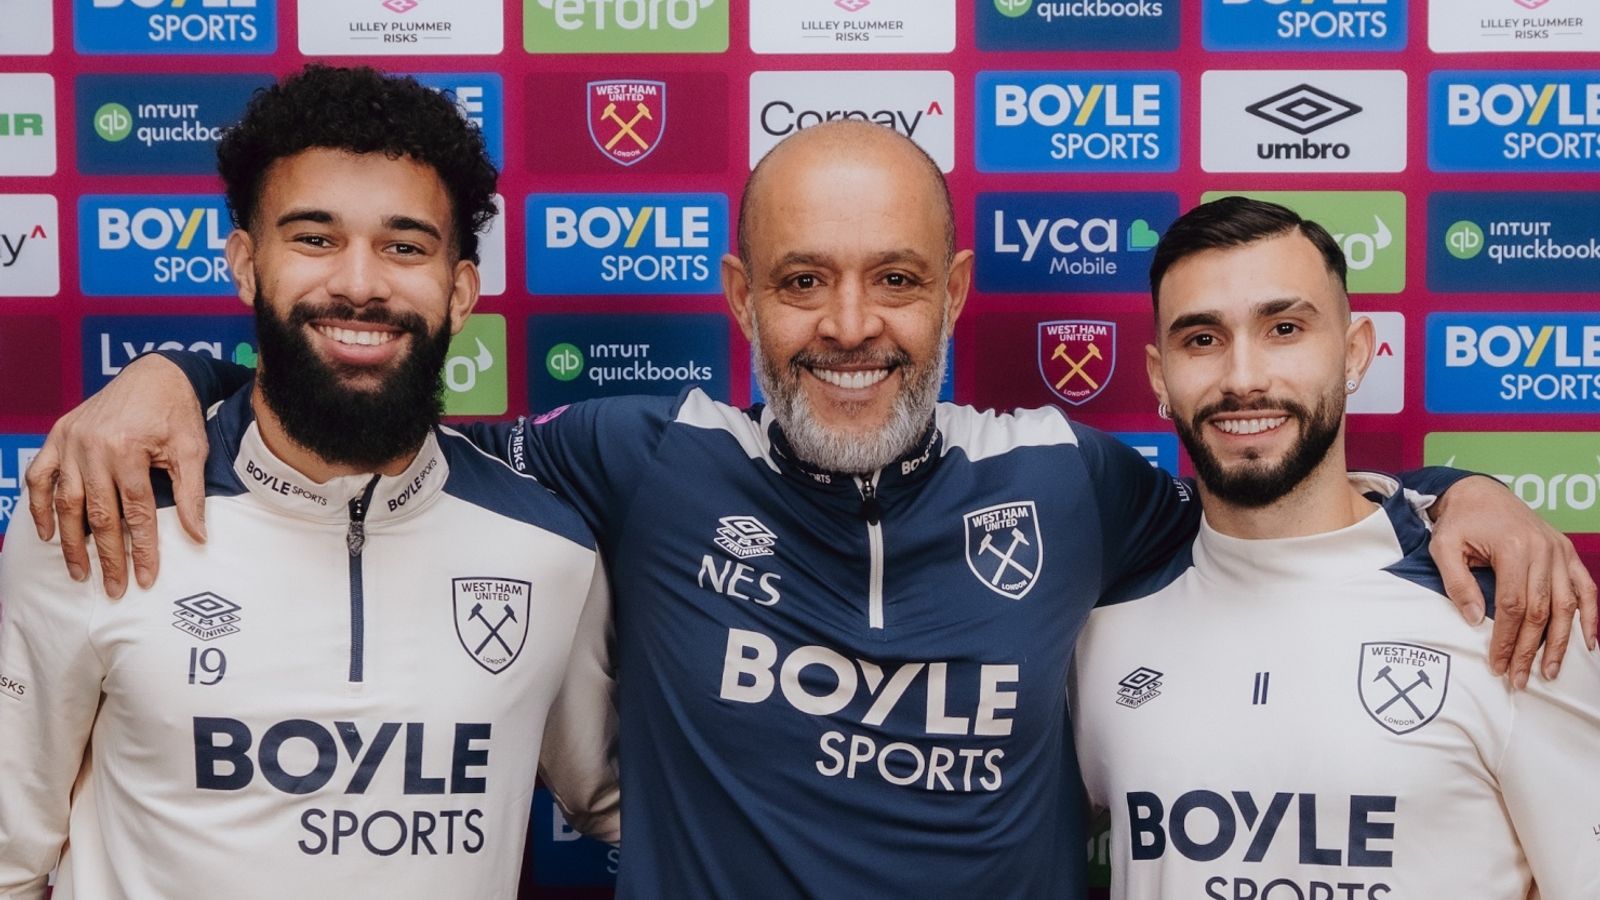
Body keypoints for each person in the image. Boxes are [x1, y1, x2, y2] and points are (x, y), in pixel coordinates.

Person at [23, 122, 1593, 897]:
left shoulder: (1067, 479)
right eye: (802, 282)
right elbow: (370, 409)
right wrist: (180, 376)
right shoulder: (638, 459)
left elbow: (1278, 509)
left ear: (955, 293)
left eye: (895, 280)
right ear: (737, 298)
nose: (850, 327)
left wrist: (1459, 496)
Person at [0, 66, 617, 900]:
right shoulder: (99, 506)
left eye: (404, 246)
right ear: (246, 265)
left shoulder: (550, 549)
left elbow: (628, 802)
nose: (359, 284)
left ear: (460, 291)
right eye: (315, 239)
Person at [1071, 197, 1600, 899]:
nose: (1243, 378)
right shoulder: (1098, 625)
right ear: (1159, 375)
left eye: (1284, 329)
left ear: (1354, 352)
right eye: (1202, 339)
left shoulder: (1510, 607)